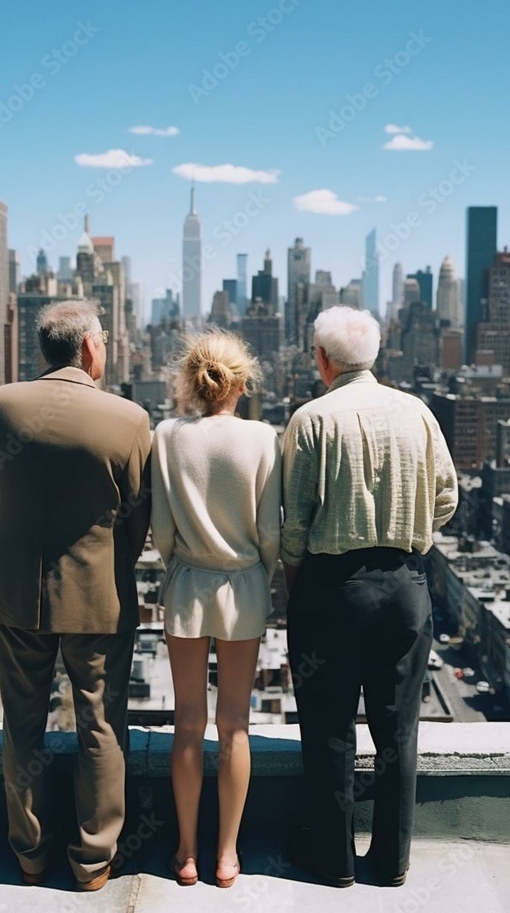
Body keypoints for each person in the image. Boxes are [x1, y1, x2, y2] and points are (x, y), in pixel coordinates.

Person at [0, 299, 151, 892]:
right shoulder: (128, 419)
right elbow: (136, 520)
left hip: (17, 591)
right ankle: (93, 861)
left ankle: (29, 855)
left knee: (20, 724)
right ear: (90, 347)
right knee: (100, 723)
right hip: (98, 597)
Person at [282, 305, 458, 889]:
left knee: (330, 726)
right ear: (376, 356)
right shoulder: (419, 414)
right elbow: (448, 496)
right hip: (406, 585)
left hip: (333, 588)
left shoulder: (310, 420)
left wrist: (298, 572)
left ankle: (334, 862)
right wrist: (413, 538)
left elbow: (295, 522)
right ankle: (393, 862)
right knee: (398, 727)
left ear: (322, 358)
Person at [151, 332, 281, 888]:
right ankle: (226, 856)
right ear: (242, 383)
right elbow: (271, 532)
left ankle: (185, 853)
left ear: (191, 381)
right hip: (244, 587)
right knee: (234, 727)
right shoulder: (261, 437)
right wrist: (259, 575)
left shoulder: (166, 435)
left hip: (186, 585)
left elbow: (160, 531)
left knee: (187, 724)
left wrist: (182, 562)